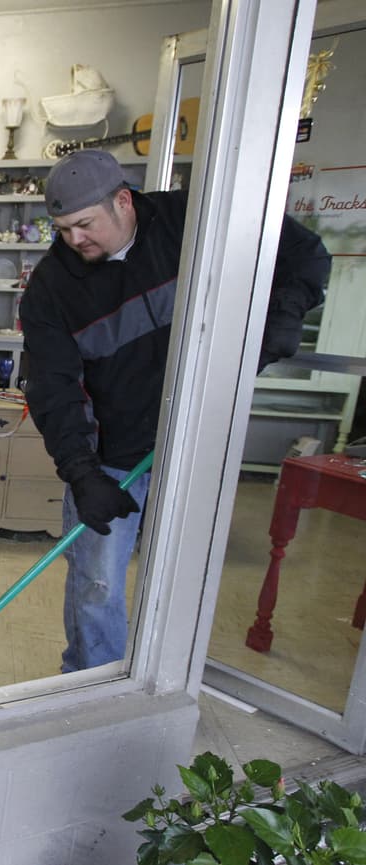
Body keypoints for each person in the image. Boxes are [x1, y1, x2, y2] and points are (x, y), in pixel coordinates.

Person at [20, 149, 330, 673]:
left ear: (123, 202)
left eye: (84, 224)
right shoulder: (52, 288)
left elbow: (304, 253)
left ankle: (164, 679)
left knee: (184, 573)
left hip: (194, 439)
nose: (74, 240)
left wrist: (284, 313)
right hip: (114, 455)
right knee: (97, 582)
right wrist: (82, 473)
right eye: (63, 228)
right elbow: (52, 388)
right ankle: (91, 684)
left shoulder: (191, 220)